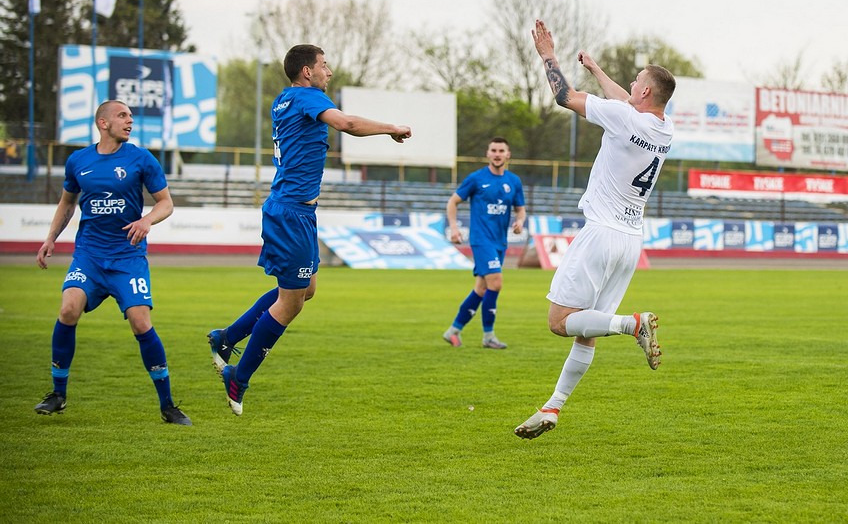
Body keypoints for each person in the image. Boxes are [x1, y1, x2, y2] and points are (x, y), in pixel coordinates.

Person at [208, 44, 411, 416]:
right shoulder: (306, 98)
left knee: (306, 291)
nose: (329, 71)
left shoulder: (285, 99)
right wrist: (391, 128)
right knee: (291, 303)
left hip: (295, 211)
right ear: (306, 71)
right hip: (291, 214)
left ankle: (226, 338)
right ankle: (239, 376)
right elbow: (346, 124)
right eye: (324, 65)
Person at [514, 20, 675, 440]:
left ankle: (633, 323)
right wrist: (597, 70)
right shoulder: (663, 127)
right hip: (629, 240)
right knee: (588, 329)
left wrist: (548, 54)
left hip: (601, 233)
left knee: (559, 321)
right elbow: (626, 101)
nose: (629, 84)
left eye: (635, 81)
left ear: (644, 93)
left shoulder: (625, 118)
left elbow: (563, 97)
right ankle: (553, 407)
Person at [34, 100, 190, 425]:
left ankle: (168, 405)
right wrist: (50, 238)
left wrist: (147, 221)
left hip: (127, 258)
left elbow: (166, 203)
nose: (129, 121)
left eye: (131, 117)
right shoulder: (78, 161)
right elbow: (66, 204)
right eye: (122, 116)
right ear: (103, 123)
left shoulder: (140, 158)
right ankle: (58, 394)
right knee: (67, 309)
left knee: (141, 323)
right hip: (89, 256)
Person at [442, 137, 526, 349]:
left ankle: (454, 330)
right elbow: (453, 202)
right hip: (481, 240)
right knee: (496, 283)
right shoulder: (476, 178)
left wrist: (519, 222)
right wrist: (454, 227)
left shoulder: (514, 181)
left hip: (500, 242)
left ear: (508, 155)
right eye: (493, 150)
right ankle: (488, 337)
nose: (497, 154)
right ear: (488, 154)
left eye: (501, 150)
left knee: (481, 289)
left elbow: (520, 208)